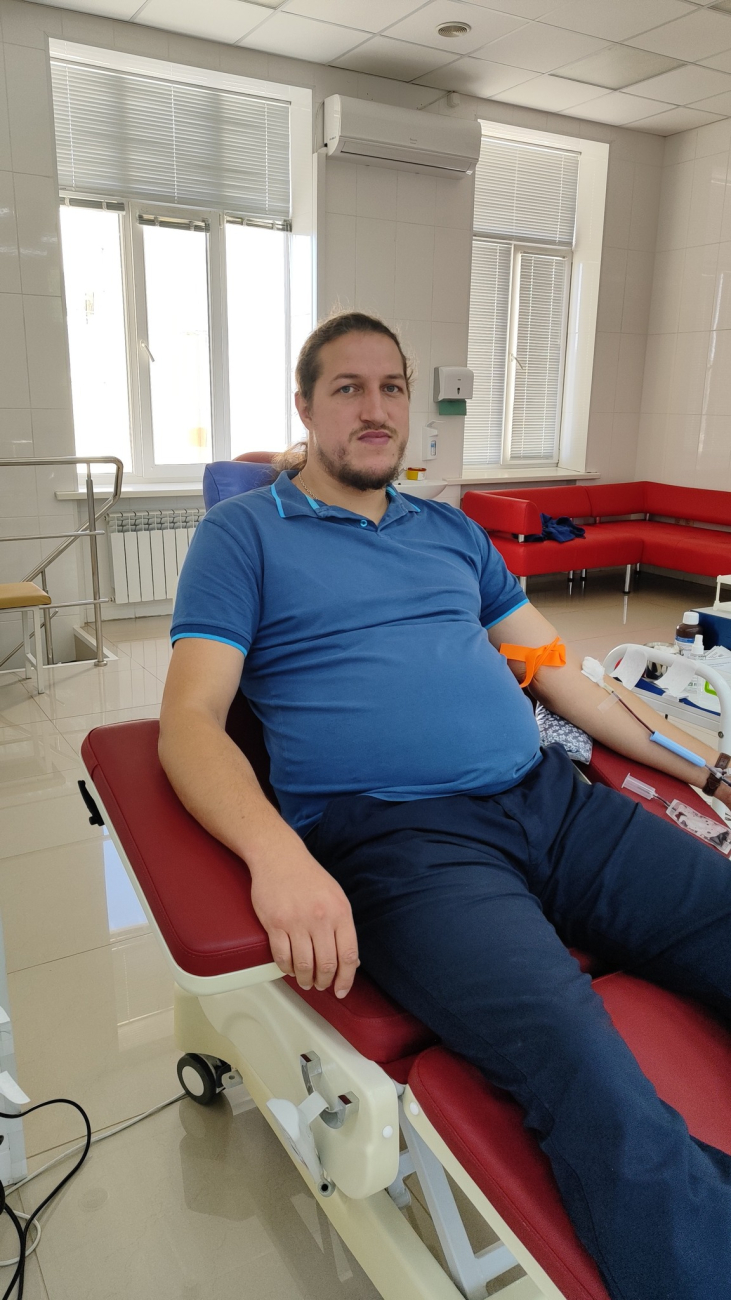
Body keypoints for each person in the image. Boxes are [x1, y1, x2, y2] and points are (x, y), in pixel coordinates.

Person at [160, 311, 731, 1300]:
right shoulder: (243, 535)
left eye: (391, 387)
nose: (374, 408)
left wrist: (710, 769)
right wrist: (277, 854)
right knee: (581, 1064)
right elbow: (189, 723)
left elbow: (559, 674)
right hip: (406, 849)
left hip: (551, 804)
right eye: (347, 388)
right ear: (305, 408)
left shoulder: (452, 534)